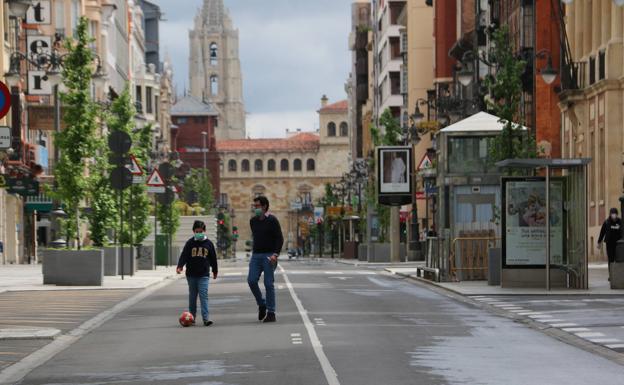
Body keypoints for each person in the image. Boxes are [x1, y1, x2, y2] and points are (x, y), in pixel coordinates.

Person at [248, 195, 284, 323]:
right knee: (251, 281)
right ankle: (261, 304)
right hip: (256, 255)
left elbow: (279, 238)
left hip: (269, 256)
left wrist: (275, 254)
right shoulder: (253, 221)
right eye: (254, 206)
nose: (255, 208)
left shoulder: (272, 220)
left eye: (257, 206)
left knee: (268, 284)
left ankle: (271, 312)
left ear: (264, 206)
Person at [176, 220, 218, 326]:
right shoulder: (190, 243)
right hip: (191, 275)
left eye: (200, 231)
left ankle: (206, 318)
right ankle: (191, 317)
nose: (199, 233)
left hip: (203, 275)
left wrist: (215, 270)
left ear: (204, 231)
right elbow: (184, 255)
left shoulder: (209, 244)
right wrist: (180, 266)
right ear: (193, 231)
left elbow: (213, 258)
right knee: (192, 297)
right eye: (196, 231)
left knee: (204, 296)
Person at [598, 208, 622, 280]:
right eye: (612, 214)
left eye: (615, 214)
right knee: (611, 260)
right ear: (610, 214)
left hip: (618, 245)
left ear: (617, 214)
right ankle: (611, 275)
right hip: (609, 244)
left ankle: (618, 275)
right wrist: (599, 242)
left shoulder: (620, 222)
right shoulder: (606, 222)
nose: (614, 215)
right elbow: (602, 233)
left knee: (618, 260)